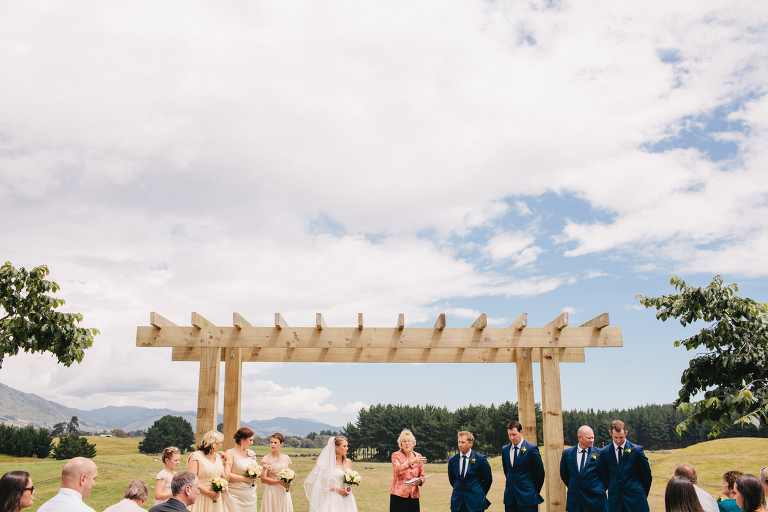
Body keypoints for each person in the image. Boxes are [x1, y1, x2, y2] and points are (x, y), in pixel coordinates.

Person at [602, 420, 652, 512]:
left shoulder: (637, 451)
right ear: (610, 433)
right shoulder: (604, 452)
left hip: (636, 502)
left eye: (621, 437)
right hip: (615, 503)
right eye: (615, 437)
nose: (618, 440)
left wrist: (640, 494)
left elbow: (647, 476)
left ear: (626, 433)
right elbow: (605, 476)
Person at [560, 425, 608, 512]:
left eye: (593, 437)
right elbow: (564, 475)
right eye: (589, 438)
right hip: (575, 502)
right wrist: (577, 487)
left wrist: (597, 489)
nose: (592, 440)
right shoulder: (567, 454)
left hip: (596, 501)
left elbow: (606, 475)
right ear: (580, 438)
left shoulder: (600, 453)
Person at [304, 436, 358, 512]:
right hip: (334, 498)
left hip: (347, 497)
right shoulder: (328, 464)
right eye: (344, 446)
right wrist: (338, 490)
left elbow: (350, 480)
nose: (347, 448)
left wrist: (350, 486)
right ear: (336, 447)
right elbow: (323, 484)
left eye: (347, 446)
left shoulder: (348, 462)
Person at [502, 421, 544, 512]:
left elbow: (540, 473)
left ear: (521, 432)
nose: (512, 438)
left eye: (514, 434)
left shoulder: (532, 449)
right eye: (509, 435)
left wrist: (532, 491)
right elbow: (507, 471)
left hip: (527, 498)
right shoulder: (505, 450)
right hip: (510, 498)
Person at [448, 430, 492, 512]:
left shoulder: (481, 459)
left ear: (470, 443)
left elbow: (488, 480)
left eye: (463, 442)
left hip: (475, 502)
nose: (460, 445)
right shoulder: (452, 460)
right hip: (457, 502)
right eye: (459, 442)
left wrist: (478, 493)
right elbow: (452, 480)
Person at [223, 427, 262, 512]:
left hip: (249, 494)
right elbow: (226, 475)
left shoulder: (250, 454)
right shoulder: (230, 453)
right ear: (242, 440)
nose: (252, 443)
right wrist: (244, 479)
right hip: (234, 495)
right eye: (250, 440)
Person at [188, 430, 227, 512]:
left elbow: (223, 476)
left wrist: (226, 462)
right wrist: (208, 493)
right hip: (200, 495)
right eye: (219, 443)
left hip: (215, 496)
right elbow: (192, 480)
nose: (220, 445)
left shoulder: (218, 457)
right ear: (212, 443)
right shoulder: (195, 456)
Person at [390, 429, 427, 512]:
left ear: (413, 443)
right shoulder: (396, 455)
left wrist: (420, 481)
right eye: (404, 441)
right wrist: (411, 462)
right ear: (401, 444)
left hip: (413, 496)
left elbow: (422, 475)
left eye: (409, 441)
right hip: (398, 496)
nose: (407, 443)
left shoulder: (418, 456)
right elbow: (397, 470)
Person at [261, 432, 295, 512]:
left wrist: (288, 483)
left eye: (275, 442)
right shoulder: (266, 459)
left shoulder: (287, 458)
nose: (272, 444)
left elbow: (289, 475)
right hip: (271, 491)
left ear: (281, 444)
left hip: (283, 490)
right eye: (271, 442)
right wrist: (279, 482)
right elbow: (263, 479)